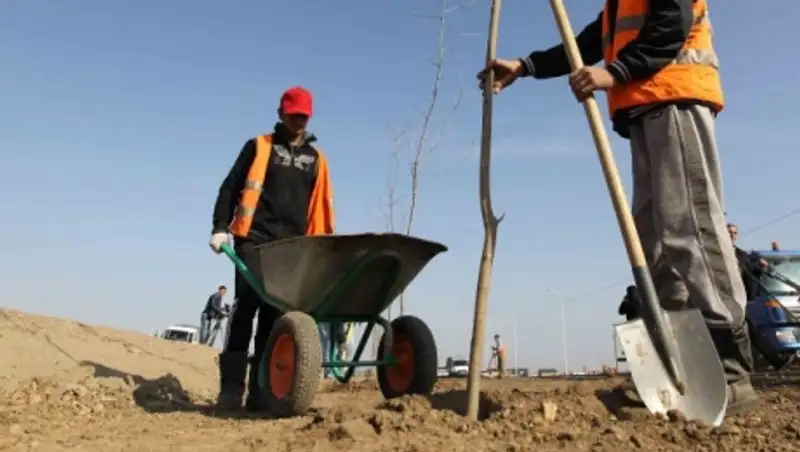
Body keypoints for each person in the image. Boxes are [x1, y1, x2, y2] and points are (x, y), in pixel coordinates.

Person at [478, 0, 757, 412]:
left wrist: (614, 73)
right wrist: (526, 65)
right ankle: (676, 367)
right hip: (644, 105)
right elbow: (588, 44)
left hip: (674, 96)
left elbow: (669, 25)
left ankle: (732, 369)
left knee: (691, 229)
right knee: (654, 242)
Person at [208, 86, 335, 410]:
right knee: (246, 306)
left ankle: (261, 390)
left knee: (274, 315)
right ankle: (232, 388)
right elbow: (230, 187)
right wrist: (220, 227)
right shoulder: (259, 147)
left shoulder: (316, 159)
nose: (298, 122)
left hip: (293, 245)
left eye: (303, 117)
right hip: (255, 238)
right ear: (281, 114)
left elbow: (320, 206)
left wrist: (321, 248)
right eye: (293, 115)